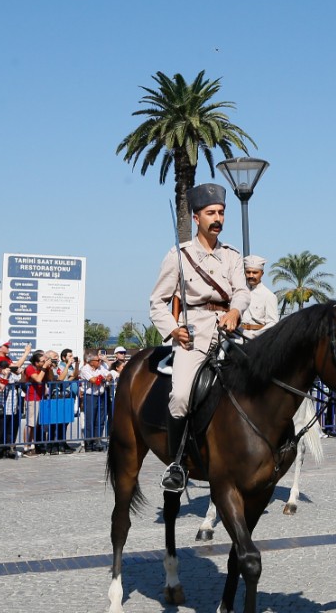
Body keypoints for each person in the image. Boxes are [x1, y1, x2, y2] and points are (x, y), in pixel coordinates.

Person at [148, 182, 250, 492]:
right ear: (196, 218)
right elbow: (157, 301)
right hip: (194, 333)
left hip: (230, 329)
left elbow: (242, 291)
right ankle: (178, 463)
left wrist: (235, 311)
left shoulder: (232, 256)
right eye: (210, 213)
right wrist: (172, 328)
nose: (217, 218)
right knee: (180, 396)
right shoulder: (179, 255)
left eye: (220, 212)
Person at [239, 254, 279, 341]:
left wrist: (254, 335)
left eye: (255, 272)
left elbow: (273, 322)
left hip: (257, 340)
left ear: (262, 273)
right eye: (248, 272)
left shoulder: (269, 296)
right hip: (236, 335)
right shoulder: (237, 291)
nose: (251, 276)